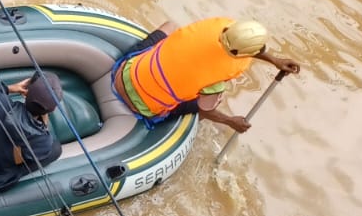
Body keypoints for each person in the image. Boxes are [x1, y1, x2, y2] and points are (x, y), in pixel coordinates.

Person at [112, 17, 301, 132]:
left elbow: (241, 48)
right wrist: (230, 121)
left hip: (124, 73)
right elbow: (206, 109)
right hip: (141, 107)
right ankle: (184, 132)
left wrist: (274, 60)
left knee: (170, 25)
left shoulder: (215, 26)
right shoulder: (216, 79)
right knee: (209, 102)